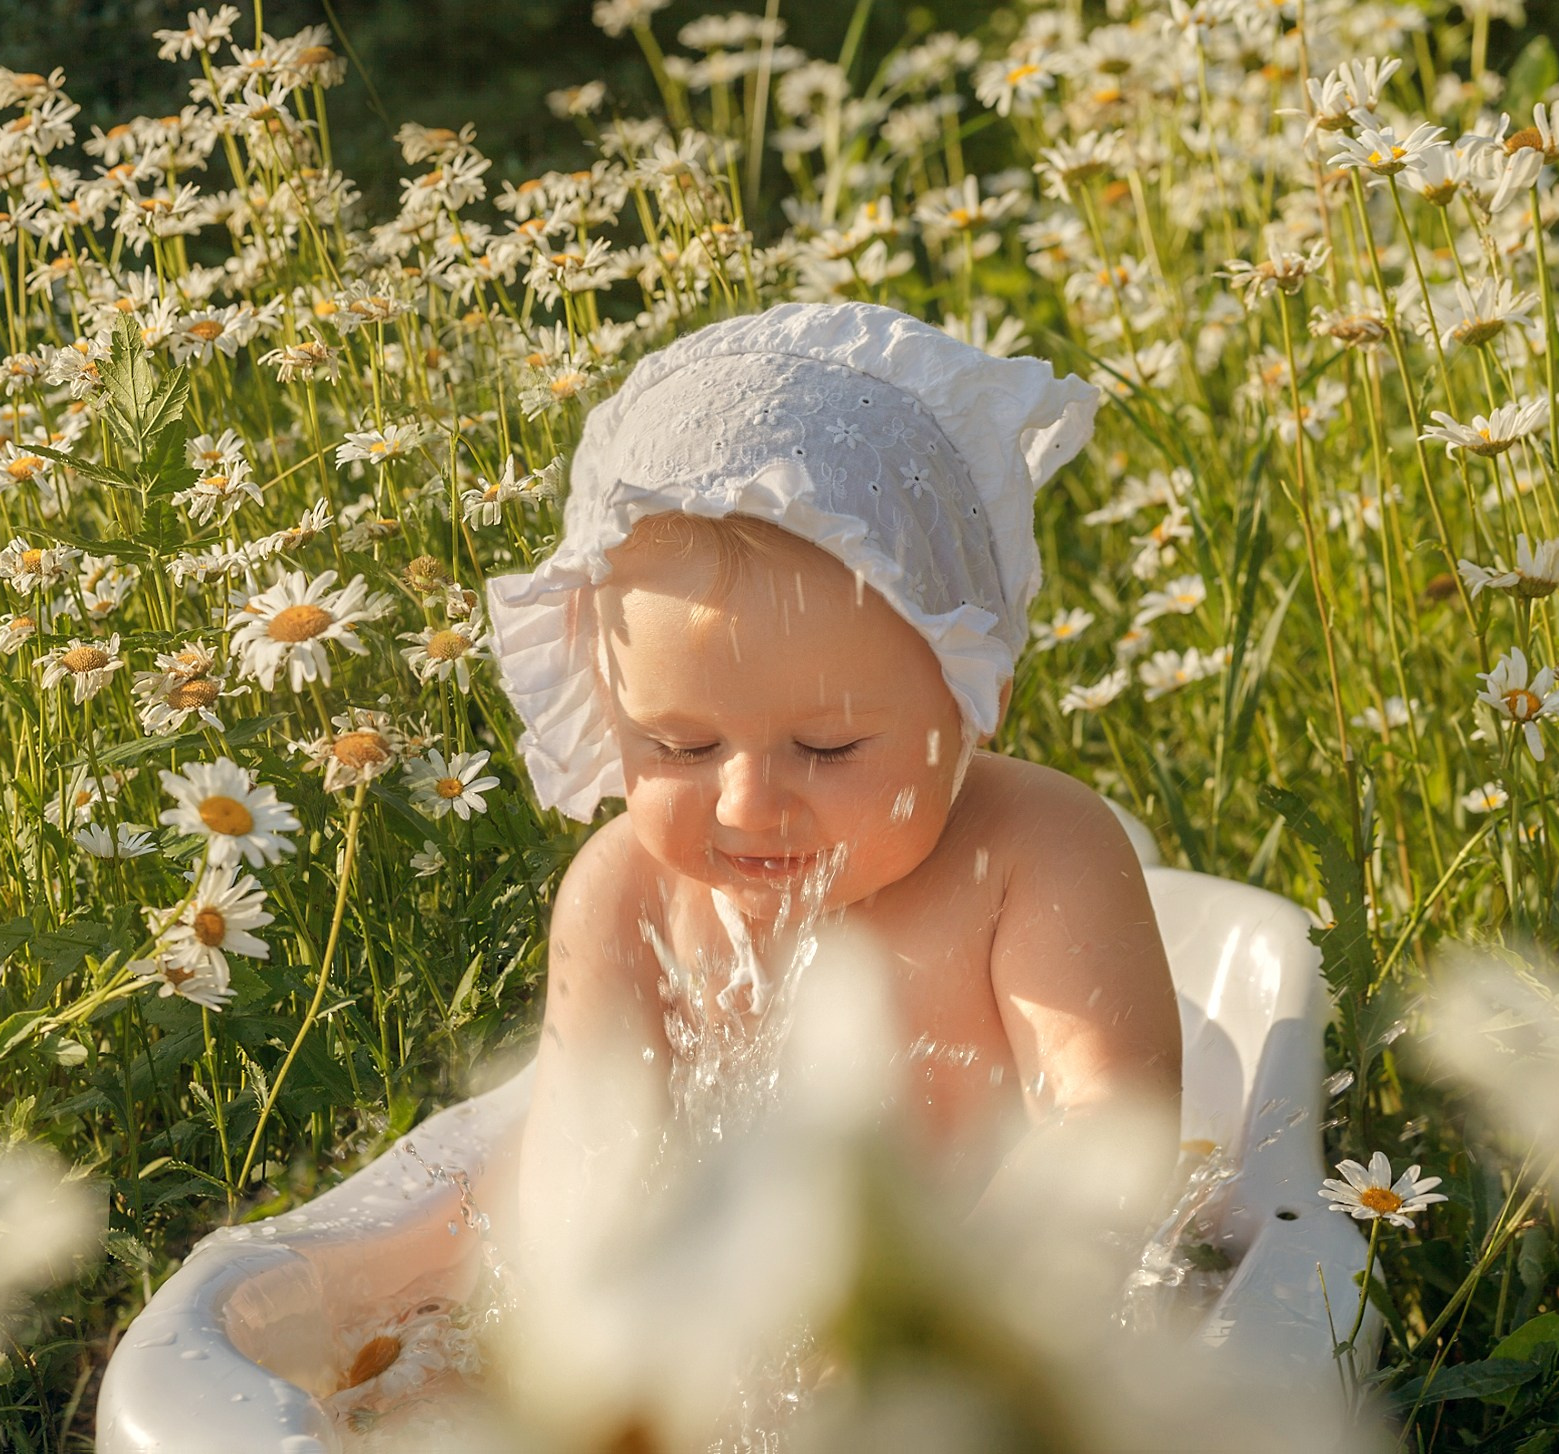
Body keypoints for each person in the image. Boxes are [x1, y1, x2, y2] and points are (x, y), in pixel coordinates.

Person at [486, 301, 1181, 1237]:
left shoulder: (1032, 858)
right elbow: (576, 1194)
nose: (748, 802)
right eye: (679, 748)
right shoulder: (625, 894)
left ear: (971, 704)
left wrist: (945, 1335)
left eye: (825, 748)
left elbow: (1106, 1136)